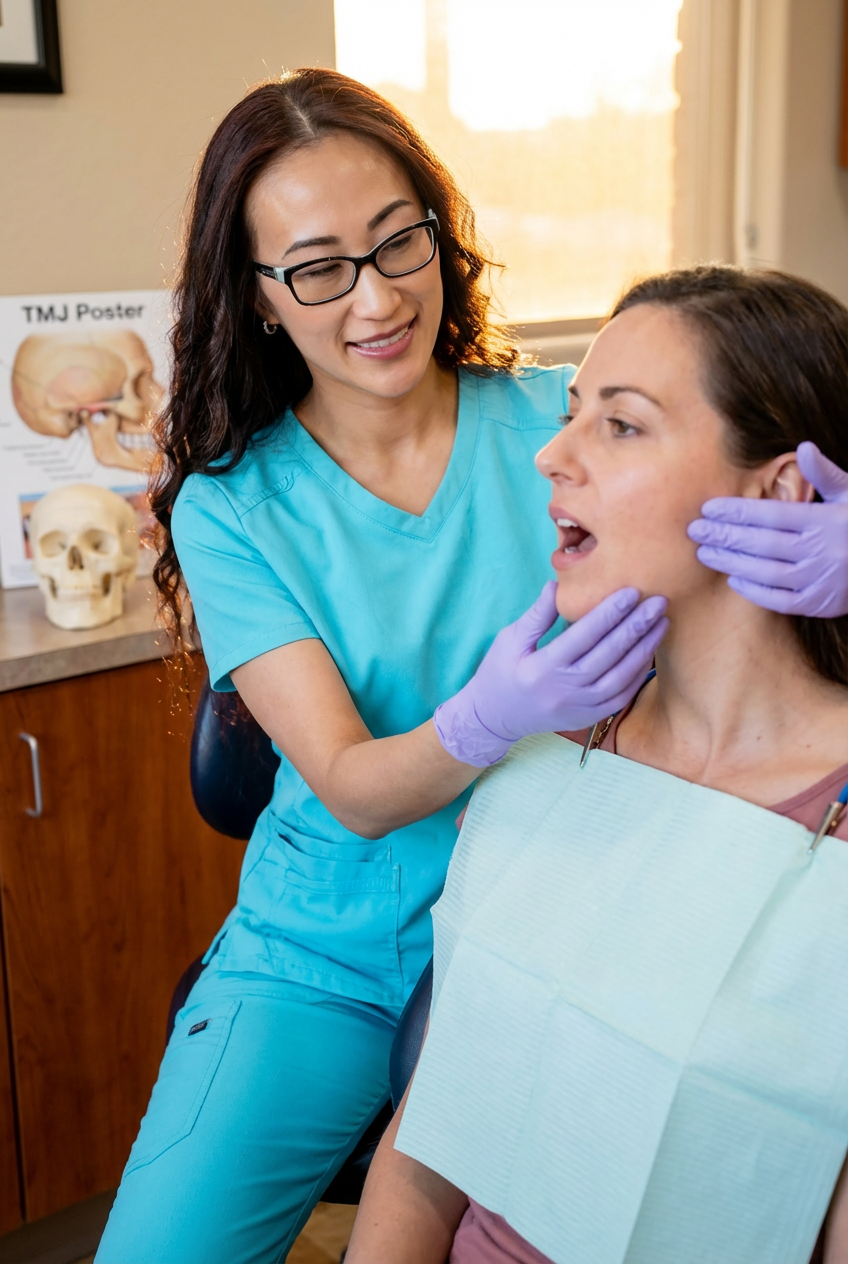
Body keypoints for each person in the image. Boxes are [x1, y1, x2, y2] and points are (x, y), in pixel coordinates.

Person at [95, 67, 848, 1263]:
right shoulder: (236, 507)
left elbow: (772, 426)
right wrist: (488, 718)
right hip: (332, 953)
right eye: (318, 267)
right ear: (259, 297)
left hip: (574, 901)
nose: (377, 294)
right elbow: (349, 784)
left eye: (399, 240)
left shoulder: (560, 416)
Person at [345, 265, 848, 1264]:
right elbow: (431, 1137)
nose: (550, 455)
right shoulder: (550, 754)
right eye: (571, 411)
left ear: (782, 491)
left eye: (620, 424)